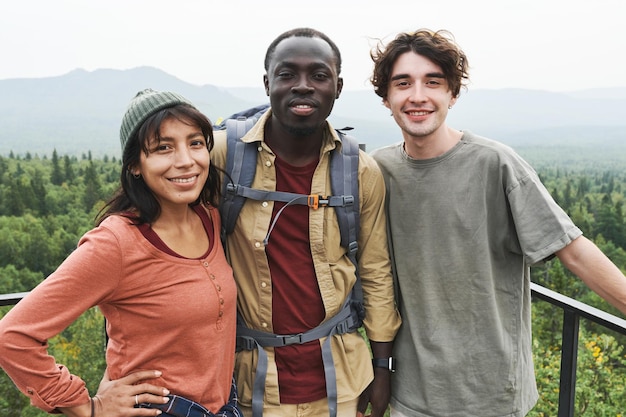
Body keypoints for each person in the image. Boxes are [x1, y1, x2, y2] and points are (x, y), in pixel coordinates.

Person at [369, 29, 626, 417]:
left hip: (490, 393)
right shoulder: (376, 171)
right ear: (387, 99)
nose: (417, 95)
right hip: (412, 394)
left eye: (433, 82)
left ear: (452, 95)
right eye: (403, 83)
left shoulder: (496, 163)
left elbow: (572, 250)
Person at [0, 89, 241, 417]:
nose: (186, 160)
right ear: (135, 166)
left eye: (195, 142)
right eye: (163, 148)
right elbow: (12, 337)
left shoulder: (209, 217)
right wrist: (89, 407)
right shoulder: (115, 243)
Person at [211, 28, 401, 417]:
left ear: (338, 86)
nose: (303, 86)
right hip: (247, 381)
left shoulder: (360, 172)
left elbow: (376, 271)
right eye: (287, 75)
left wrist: (382, 369)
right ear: (267, 83)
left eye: (318, 75)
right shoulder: (222, 157)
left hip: (343, 382)